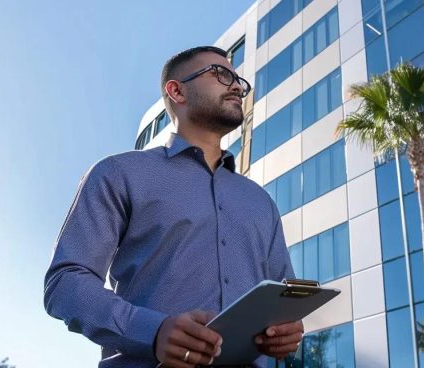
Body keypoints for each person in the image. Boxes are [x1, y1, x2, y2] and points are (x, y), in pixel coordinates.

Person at [43, 46, 303, 368]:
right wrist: (153, 331)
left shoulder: (261, 201)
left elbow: (283, 295)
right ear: (177, 90)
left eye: (238, 80)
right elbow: (65, 283)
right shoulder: (118, 174)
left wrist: (287, 330)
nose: (236, 85)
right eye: (221, 75)